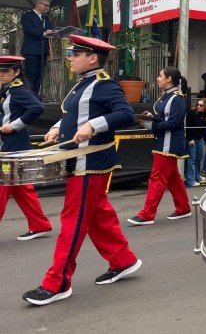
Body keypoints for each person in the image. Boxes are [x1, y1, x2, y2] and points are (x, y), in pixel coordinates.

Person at [24, 35, 140, 306]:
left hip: (91, 163)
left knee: (73, 222)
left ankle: (57, 282)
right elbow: (73, 115)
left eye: (75, 54)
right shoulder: (83, 84)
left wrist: (93, 126)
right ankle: (124, 260)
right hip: (81, 162)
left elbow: (125, 114)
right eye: (71, 53)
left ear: (92, 58)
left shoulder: (105, 85)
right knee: (98, 215)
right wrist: (56, 128)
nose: (70, 58)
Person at [128, 67, 192, 226]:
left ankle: (147, 214)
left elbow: (173, 123)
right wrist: (152, 118)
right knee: (173, 178)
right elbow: (165, 118)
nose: (157, 78)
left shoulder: (176, 98)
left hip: (168, 143)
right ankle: (183, 208)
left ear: (169, 79)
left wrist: (152, 125)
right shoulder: (167, 96)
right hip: (164, 141)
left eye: (160, 75)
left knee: (157, 178)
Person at [0, 56, 51, 241]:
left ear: (16, 72)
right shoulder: (8, 90)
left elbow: (37, 107)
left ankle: (40, 225)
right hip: (11, 144)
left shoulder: (18, 90)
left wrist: (14, 125)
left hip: (13, 146)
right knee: (21, 188)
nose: (0, 75)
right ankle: (40, 225)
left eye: (5, 71)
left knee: (2, 186)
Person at [21, 0, 54, 95]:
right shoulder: (27, 15)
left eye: (48, 6)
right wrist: (44, 33)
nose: (47, 8)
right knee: (31, 75)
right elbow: (28, 30)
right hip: (31, 51)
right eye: (45, 5)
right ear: (38, 4)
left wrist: (53, 32)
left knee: (39, 76)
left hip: (43, 51)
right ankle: (28, 96)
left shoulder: (46, 18)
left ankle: (35, 95)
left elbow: (49, 29)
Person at [185, 99, 206, 186]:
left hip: (199, 138)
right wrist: (190, 139)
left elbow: (205, 125)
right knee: (191, 159)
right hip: (192, 138)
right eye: (198, 104)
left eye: (201, 105)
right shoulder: (191, 113)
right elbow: (188, 126)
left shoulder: (205, 114)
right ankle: (190, 180)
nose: (199, 106)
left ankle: (197, 176)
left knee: (199, 157)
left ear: (205, 107)